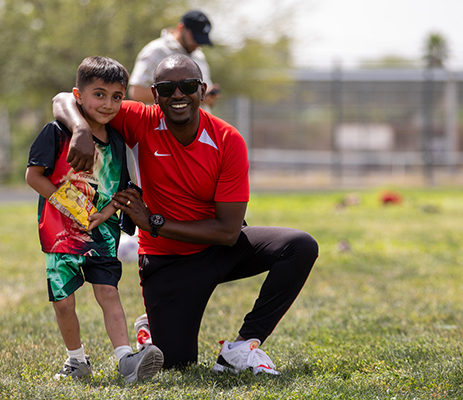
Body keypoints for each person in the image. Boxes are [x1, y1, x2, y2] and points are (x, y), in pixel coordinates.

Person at [52, 54, 318, 373]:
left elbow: (228, 232)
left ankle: (243, 347)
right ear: (155, 95)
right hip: (167, 262)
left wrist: (153, 222)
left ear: (202, 90)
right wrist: (80, 128)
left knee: (299, 246)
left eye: (188, 85)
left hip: (219, 248)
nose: (178, 95)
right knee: (177, 363)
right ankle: (151, 326)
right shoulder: (143, 120)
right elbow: (64, 98)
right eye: (167, 88)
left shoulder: (227, 139)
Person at [26, 56, 164, 383]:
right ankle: (77, 361)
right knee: (64, 302)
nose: (108, 104)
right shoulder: (57, 132)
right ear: (79, 95)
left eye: (117, 96)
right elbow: (33, 176)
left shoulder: (117, 141)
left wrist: (104, 213)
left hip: (102, 235)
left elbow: (122, 188)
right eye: (99, 94)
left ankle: (126, 359)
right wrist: (71, 206)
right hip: (61, 235)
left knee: (109, 292)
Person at [128, 10, 221, 110]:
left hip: (199, 124)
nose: (198, 44)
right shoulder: (156, 50)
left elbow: (205, 101)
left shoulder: (199, 55)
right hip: (164, 124)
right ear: (181, 28)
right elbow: (136, 92)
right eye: (195, 37)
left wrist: (208, 98)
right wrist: (182, 96)